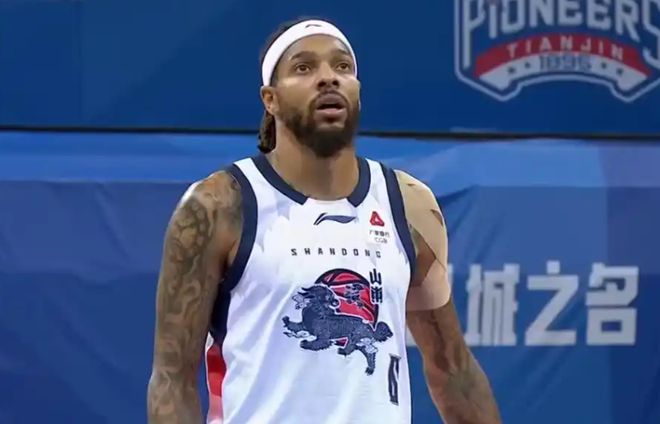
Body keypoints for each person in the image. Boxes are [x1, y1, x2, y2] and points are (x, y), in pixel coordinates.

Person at [147, 17, 501, 424]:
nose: (328, 78)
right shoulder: (217, 206)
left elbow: (453, 372)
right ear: (270, 99)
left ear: (358, 90)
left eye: (342, 66)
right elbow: (172, 379)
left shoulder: (409, 204)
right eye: (304, 67)